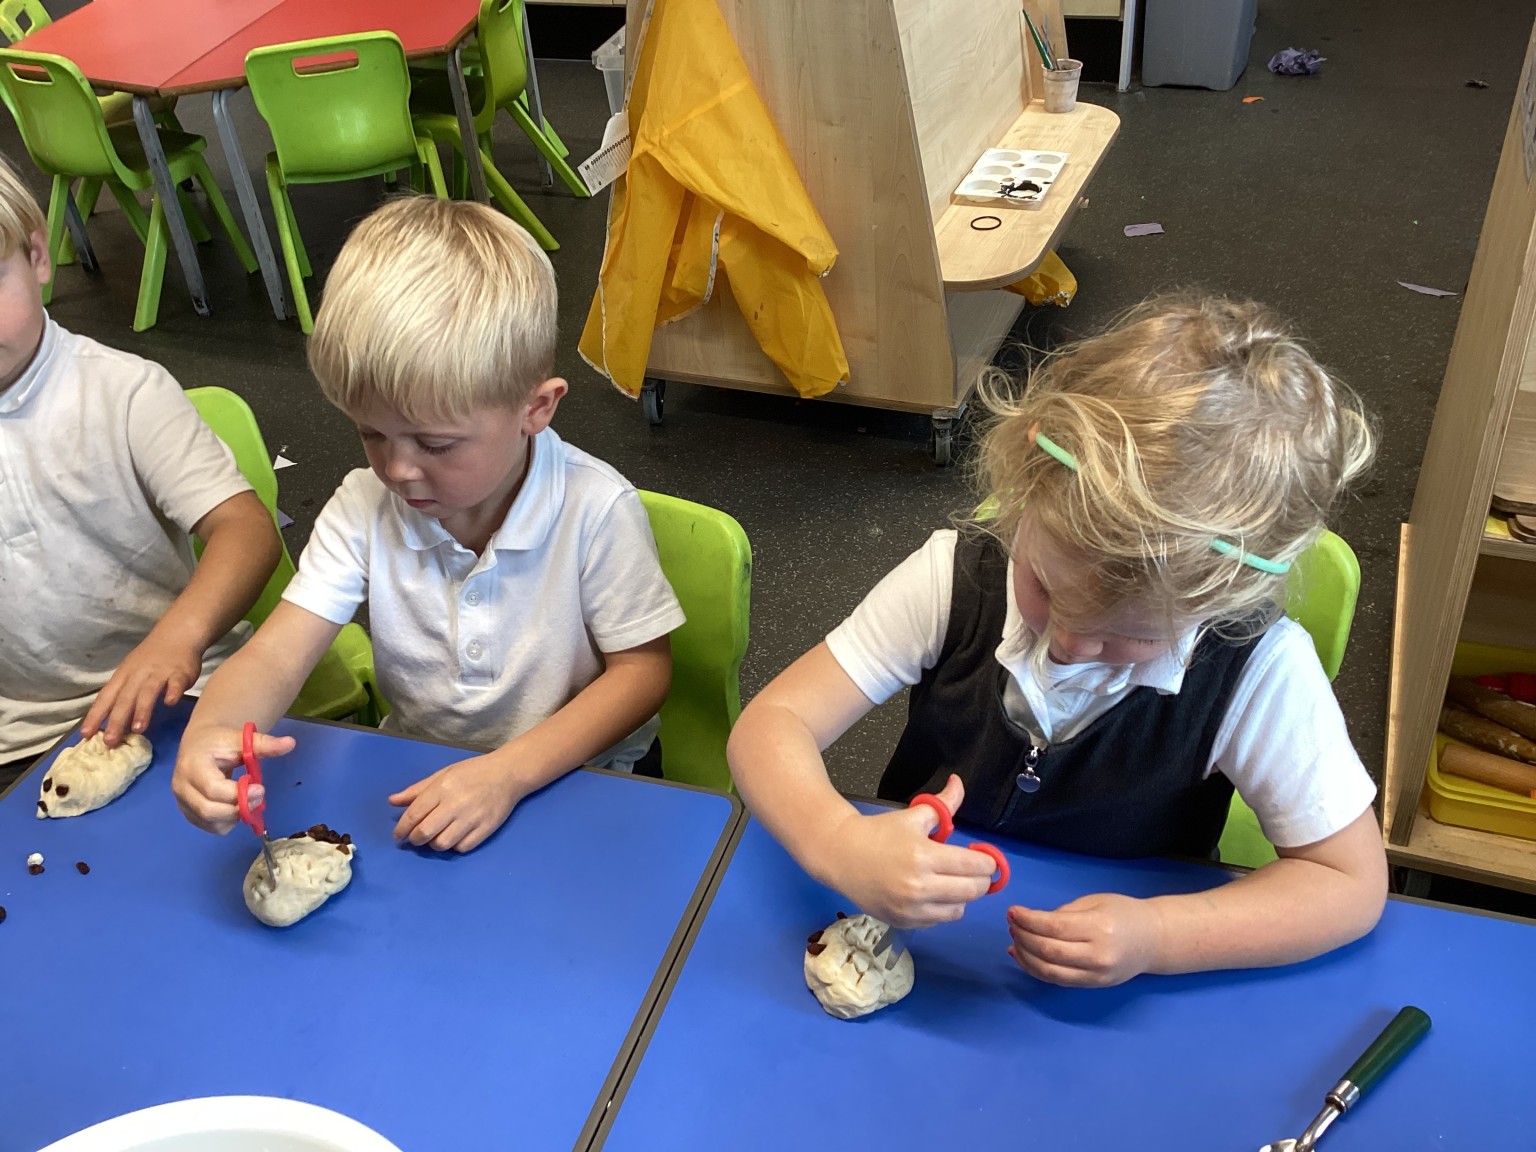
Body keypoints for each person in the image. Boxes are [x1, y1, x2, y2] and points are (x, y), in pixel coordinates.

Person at [728, 296, 1387, 988]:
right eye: (1042, 586)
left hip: (1109, 971)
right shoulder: (956, 579)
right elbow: (771, 725)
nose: (1067, 645)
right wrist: (837, 841)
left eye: (1129, 636)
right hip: (927, 934)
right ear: (1022, 497)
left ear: (1219, 604)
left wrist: (1158, 936)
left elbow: (1348, 882)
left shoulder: (1259, 669)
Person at [172, 197, 684, 853]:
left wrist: (508, 774)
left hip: (584, 776)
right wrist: (214, 727)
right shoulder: (362, 505)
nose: (398, 470)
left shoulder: (595, 509)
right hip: (423, 774)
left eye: (436, 445)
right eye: (370, 434)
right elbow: (277, 652)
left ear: (537, 408)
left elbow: (642, 674)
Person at [0, 155, 279, 788]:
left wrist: (176, 638)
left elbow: (246, 529)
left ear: (38, 257)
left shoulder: (125, 393)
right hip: (22, 734)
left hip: (179, 698)